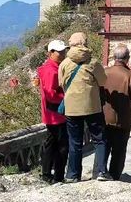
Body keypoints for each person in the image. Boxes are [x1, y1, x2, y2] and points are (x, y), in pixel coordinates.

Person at [58, 32, 109, 182]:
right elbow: (103, 81)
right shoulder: (93, 62)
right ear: (85, 43)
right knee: (99, 139)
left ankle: (73, 175)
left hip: (72, 107)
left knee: (75, 142)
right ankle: (101, 172)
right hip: (92, 106)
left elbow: (61, 83)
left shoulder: (64, 63)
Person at [102, 44, 131, 180]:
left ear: (114, 57)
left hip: (104, 117)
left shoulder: (104, 73)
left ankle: (100, 172)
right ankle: (115, 176)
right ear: (127, 59)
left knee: (103, 147)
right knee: (119, 150)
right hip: (123, 119)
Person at [37, 39, 69, 183]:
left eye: (63, 51)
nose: (63, 54)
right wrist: (67, 96)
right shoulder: (51, 70)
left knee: (52, 144)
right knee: (61, 146)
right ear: (51, 53)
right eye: (59, 51)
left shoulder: (50, 68)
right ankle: (57, 176)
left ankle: (47, 173)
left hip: (52, 113)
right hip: (56, 114)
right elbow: (51, 94)